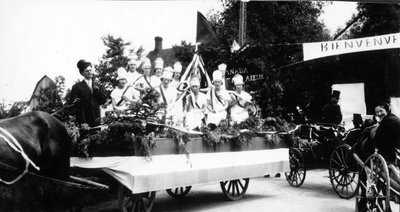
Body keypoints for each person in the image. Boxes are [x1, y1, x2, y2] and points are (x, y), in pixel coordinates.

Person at [69, 59, 106, 127]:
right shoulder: (77, 86)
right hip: (84, 120)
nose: (89, 72)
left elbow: (102, 101)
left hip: (97, 118)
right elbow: (73, 105)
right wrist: (82, 122)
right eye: (87, 71)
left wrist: (97, 92)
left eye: (90, 70)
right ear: (82, 73)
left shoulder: (98, 85)